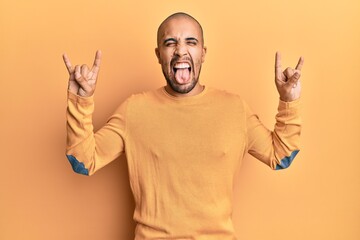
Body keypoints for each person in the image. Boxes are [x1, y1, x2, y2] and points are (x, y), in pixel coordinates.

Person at [63, 12, 304, 240]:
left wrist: (289, 100)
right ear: (158, 55)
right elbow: (83, 161)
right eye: (170, 43)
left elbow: (281, 156)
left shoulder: (234, 108)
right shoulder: (134, 109)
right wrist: (80, 99)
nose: (181, 51)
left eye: (191, 42)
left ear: (203, 52)